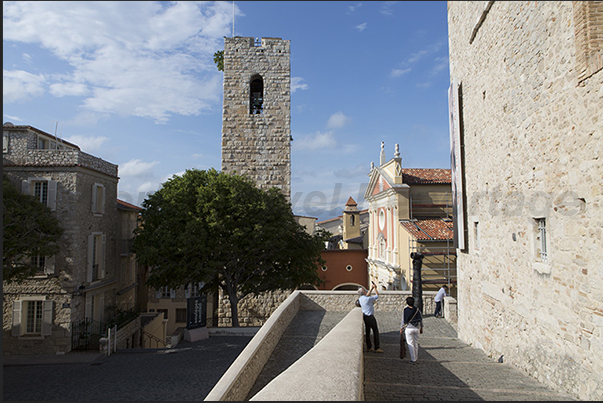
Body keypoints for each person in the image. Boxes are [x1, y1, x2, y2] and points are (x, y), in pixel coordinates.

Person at [357, 282, 383, 353]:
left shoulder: (361, 299)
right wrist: (375, 289)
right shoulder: (367, 299)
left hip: (365, 317)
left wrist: (371, 289)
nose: (366, 291)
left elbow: (367, 295)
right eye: (365, 290)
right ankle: (377, 347)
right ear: (363, 292)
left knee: (368, 332)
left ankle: (369, 347)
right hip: (370, 317)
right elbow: (377, 296)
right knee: (375, 331)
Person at [401, 296, 423, 363]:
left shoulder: (405, 310)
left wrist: (401, 328)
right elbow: (421, 319)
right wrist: (421, 327)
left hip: (409, 328)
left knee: (410, 344)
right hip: (416, 328)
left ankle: (413, 359)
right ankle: (416, 357)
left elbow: (403, 320)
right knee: (415, 343)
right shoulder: (417, 310)